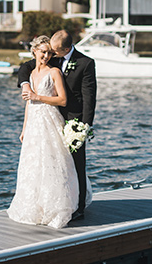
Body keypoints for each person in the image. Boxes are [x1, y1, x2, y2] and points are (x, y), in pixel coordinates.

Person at [18, 29, 96, 221]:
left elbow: (89, 97)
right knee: (50, 162)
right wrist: (25, 85)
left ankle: (79, 207)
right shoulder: (50, 57)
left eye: (54, 51)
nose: (50, 54)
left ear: (65, 49)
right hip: (47, 118)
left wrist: (84, 126)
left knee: (76, 164)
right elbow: (25, 67)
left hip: (73, 120)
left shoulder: (85, 63)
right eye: (48, 51)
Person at [7, 35, 80, 229]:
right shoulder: (30, 75)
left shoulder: (55, 72)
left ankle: (56, 206)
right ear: (34, 52)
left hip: (50, 120)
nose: (46, 56)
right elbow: (28, 104)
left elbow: (62, 100)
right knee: (33, 164)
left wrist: (37, 96)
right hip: (34, 124)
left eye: (49, 52)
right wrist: (24, 129)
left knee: (52, 162)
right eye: (43, 52)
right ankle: (36, 207)